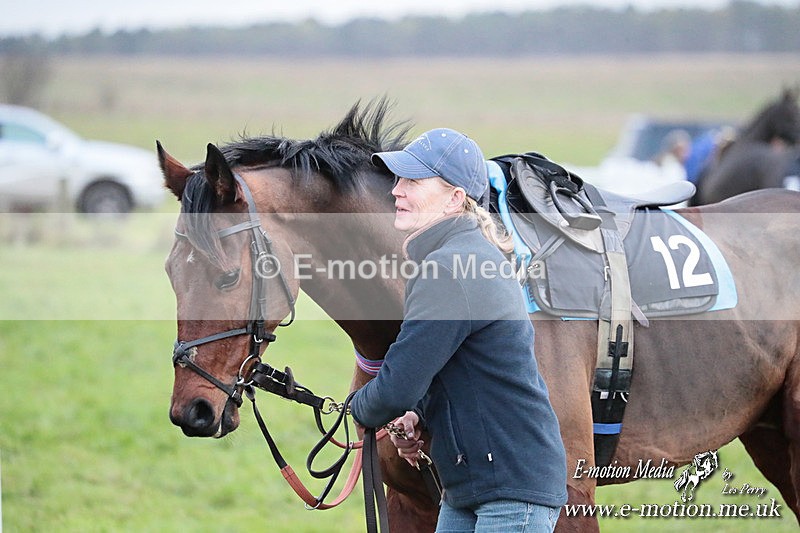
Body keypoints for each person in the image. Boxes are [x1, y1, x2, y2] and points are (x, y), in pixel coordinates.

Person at [350, 128, 568, 532]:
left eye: (413, 181)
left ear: (454, 199)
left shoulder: (448, 268)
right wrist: (418, 415)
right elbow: (462, 372)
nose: (396, 191)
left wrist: (358, 409)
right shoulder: (457, 257)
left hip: (509, 489)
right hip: (474, 483)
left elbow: (398, 384)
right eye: (398, 180)